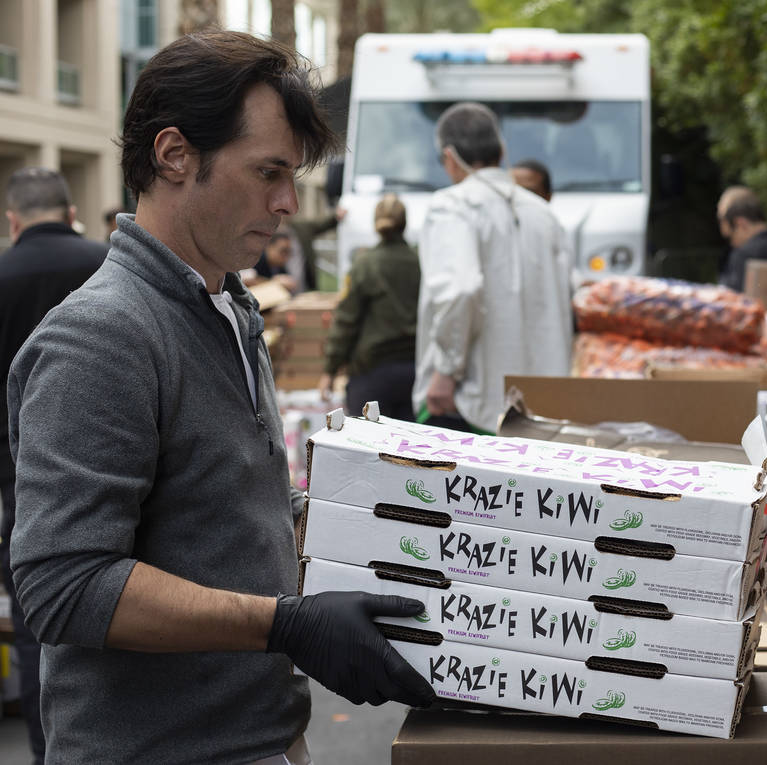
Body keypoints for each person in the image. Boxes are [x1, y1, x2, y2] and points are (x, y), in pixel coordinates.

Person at [6, 31, 435, 765]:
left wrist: (378, 530)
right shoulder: (103, 334)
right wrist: (284, 624)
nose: (287, 202)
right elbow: (62, 581)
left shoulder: (228, 309)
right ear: (175, 154)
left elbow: (230, 513)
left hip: (260, 737)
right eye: (268, 171)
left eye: (292, 175)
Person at [0, 166, 107, 765]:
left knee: (39, 621)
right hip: (122, 473)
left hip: (21, 481)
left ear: (13, 220)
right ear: (70, 212)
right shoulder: (108, 265)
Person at [413, 103, 573, 434]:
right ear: (501, 152)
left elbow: (460, 288)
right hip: (548, 411)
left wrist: (445, 372)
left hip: (477, 406)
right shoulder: (545, 215)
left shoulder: (452, 207)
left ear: (448, 158)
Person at [319, 193, 420, 420]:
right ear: (404, 224)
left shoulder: (364, 265)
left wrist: (330, 370)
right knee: (409, 450)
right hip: (414, 372)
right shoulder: (419, 263)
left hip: (372, 373)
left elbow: (346, 321)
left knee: (367, 449)